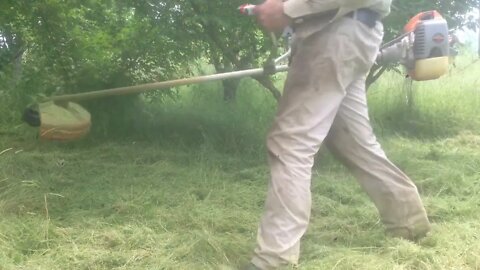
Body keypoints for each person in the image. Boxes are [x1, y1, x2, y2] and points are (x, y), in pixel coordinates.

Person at [245, 0, 431, 269]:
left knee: (290, 143)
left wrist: (287, 9)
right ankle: (409, 223)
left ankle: (274, 259)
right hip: (353, 33)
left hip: (334, 35)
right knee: (352, 141)